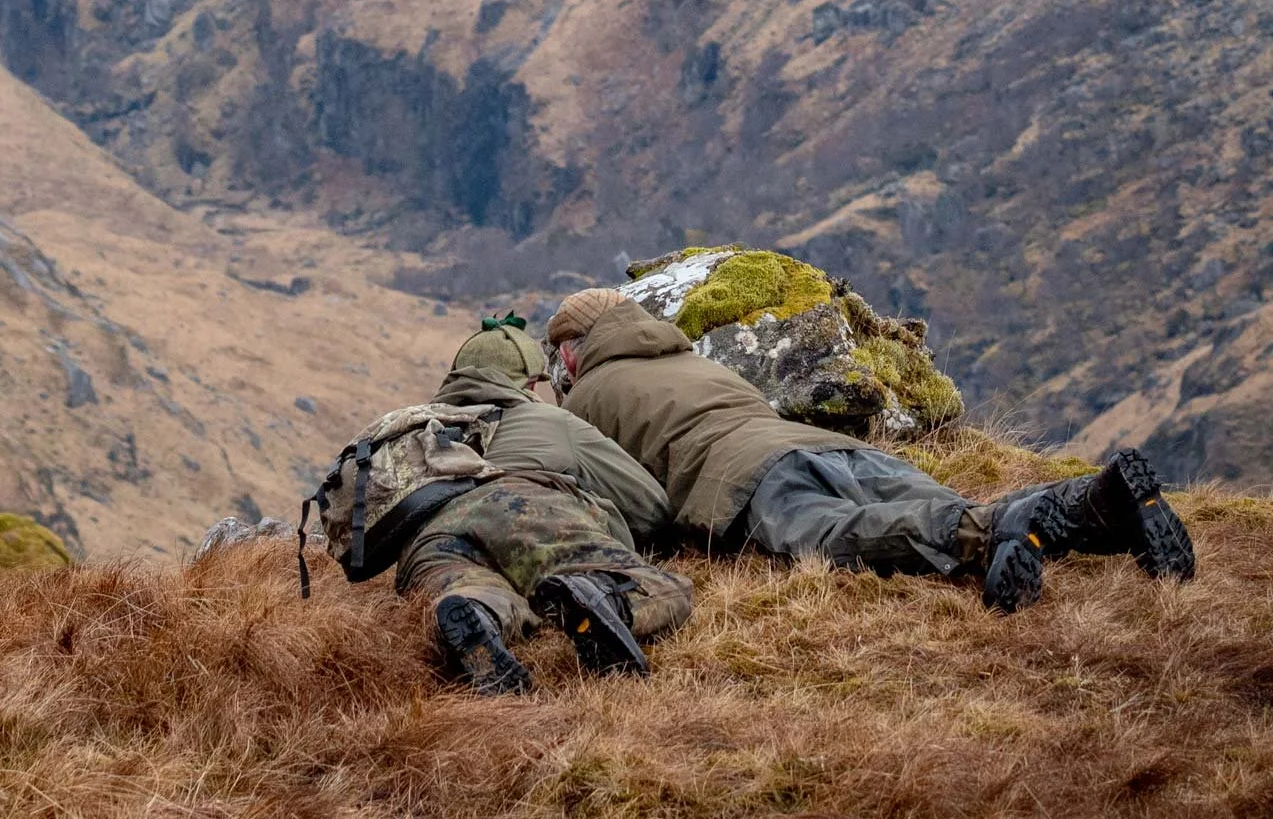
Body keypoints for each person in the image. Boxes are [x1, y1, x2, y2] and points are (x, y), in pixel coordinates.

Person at [546, 288, 1195, 613]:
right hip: (825, 445)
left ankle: (998, 530)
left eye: (558, 353)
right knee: (924, 498)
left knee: (836, 535)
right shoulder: (689, 360)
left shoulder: (586, 397)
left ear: (574, 348)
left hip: (745, 477)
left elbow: (623, 494)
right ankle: (1089, 502)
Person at [397, 318, 694, 693]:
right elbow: (648, 507)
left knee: (467, 588)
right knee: (665, 589)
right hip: (522, 508)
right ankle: (605, 600)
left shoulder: (416, 431)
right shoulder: (551, 420)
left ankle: (477, 611)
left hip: (429, 537)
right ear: (530, 383)